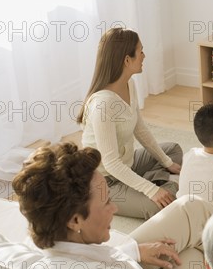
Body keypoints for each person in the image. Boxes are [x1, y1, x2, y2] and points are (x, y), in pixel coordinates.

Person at [12, 142, 213, 269]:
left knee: (191, 208)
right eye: (107, 203)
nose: (115, 209)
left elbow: (96, 259)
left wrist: (133, 252)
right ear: (75, 221)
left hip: (124, 266)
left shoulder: (34, 245)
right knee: (193, 256)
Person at [77, 27, 183, 220]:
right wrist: (151, 190)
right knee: (158, 208)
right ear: (127, 60)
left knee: (173, 150)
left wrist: (166, 162)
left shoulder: (129, 84)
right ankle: (158, 184)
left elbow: (139, 129)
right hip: (105, 182)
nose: (144, 55)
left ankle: (154, 182)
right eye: (140, 51)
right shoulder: (103, 105)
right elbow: (110, 164)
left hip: (128, 165)